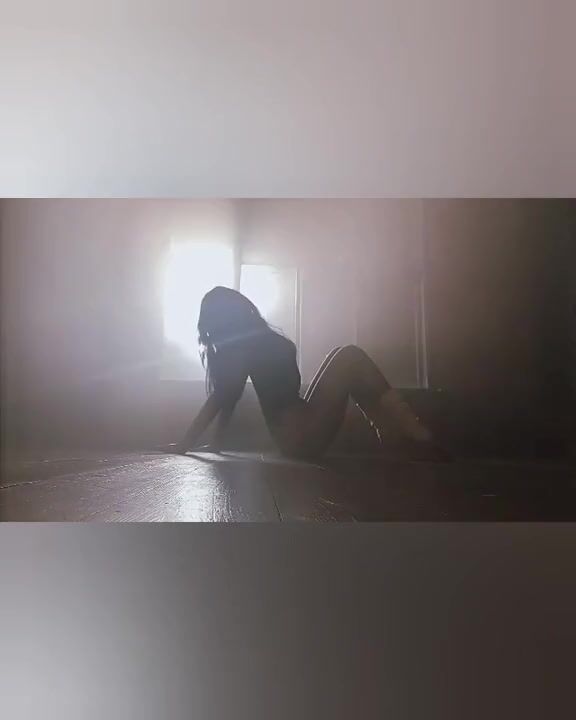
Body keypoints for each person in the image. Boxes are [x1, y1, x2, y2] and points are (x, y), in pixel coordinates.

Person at [167, 286, 449, 462]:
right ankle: (411, 432)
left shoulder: (254, 341)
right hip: (298, 436)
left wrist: (215, 443)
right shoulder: (245, 348)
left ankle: (395, 434)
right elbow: (224, 397)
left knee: (341, 354)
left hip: (301, 425)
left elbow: (227, 397)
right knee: (349, 356)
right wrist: (187, 443)